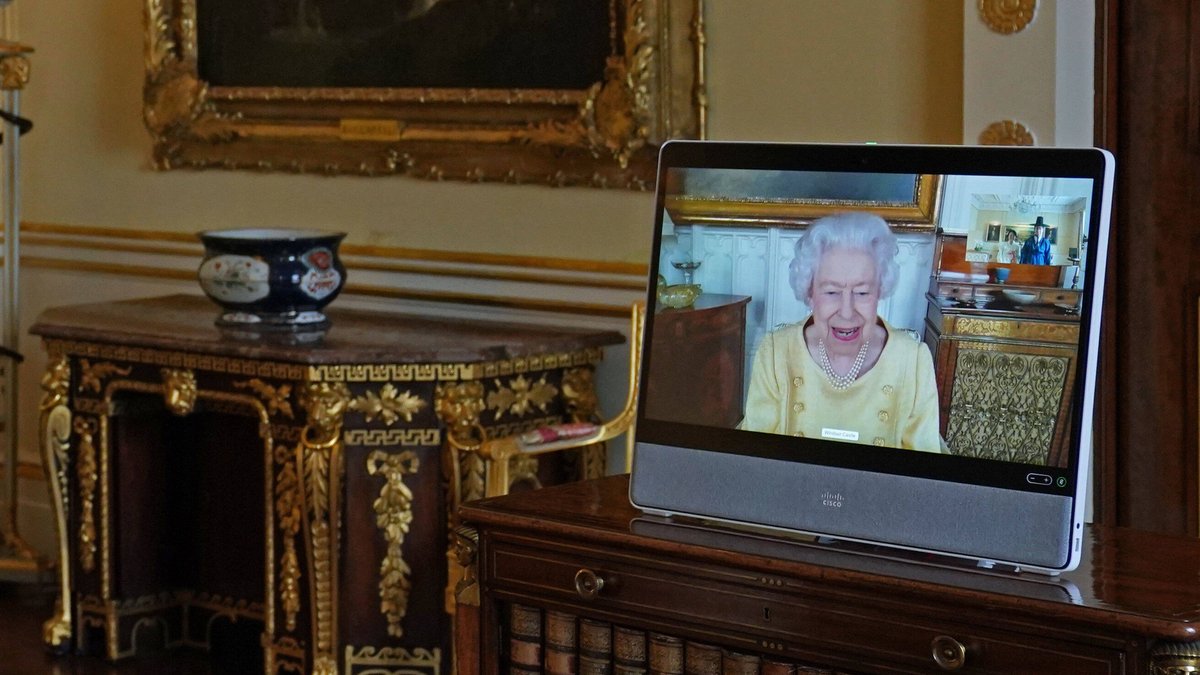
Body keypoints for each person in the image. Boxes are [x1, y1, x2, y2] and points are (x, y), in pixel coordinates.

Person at [740, 212, 942, 452]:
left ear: (880, 292)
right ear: (809, 293)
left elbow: (921, 473)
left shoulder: (912, 360)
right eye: (832, 292)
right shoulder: (776, 353)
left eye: (862, 293)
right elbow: (755, 456)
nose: (847, 312)